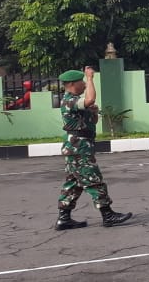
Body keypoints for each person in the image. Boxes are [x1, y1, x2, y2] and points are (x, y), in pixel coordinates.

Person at [54, 67, 132, 231]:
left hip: (78, 145)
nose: (84, 84)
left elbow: (92, 121)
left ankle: (64, 218)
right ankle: (108, 215)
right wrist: (90, 78)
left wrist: (94, 113)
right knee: (94, 180)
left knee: (73, 183)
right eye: (82, 81)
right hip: (78, 147)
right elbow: (90, 99)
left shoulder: (76, 101)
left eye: (85, 81)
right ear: (73, 84)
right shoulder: (70, 100)